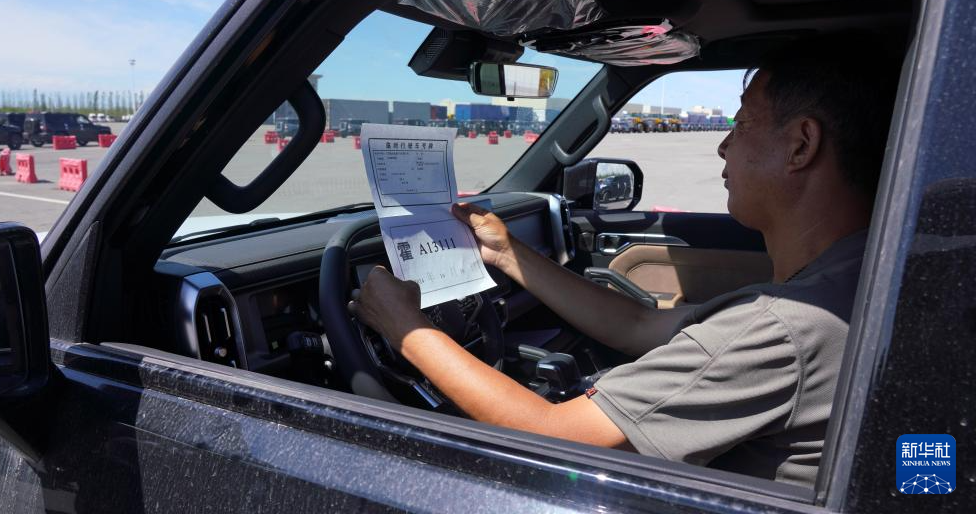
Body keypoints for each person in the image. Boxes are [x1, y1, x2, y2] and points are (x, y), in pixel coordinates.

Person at [349, 33, 898, 488]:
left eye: (743, 123)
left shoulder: (784, 327)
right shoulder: (847, 278)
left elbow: (554, 435)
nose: (724, 146)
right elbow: (638, 324)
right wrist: (506, 253)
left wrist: (406, 330)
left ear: (801, 145)